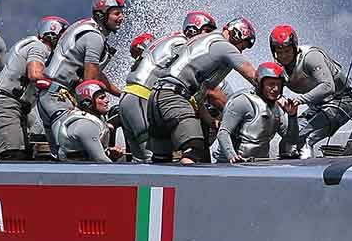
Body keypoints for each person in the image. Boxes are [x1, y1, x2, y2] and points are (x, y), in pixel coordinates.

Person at [149, 17, 259, 164]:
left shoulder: (202, 41)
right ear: (237, 35)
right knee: (194, 150)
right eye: (242, 46)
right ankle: (188, 187)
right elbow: (251, 74)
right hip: (174, 97)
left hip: (157, 96)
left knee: (161, 160)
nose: (240, 51)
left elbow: (198, 95)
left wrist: (210, 120)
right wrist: (276, 93)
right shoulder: (223, 45)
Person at [119, 12, 220, 162]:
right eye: (207, 31)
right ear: (194, 29)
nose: (209, 38)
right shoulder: (184, 45)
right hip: (143, 97)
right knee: (152, 160)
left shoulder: (171, 39)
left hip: (130, 97)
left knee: (140, 161)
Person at [37, 0, 126, 152]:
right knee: (76, 153)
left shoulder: (83, 26)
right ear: (101, 15)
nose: (121, 18)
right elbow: (90, 83)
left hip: (49, 96)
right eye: (116, 13)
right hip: (59, 99)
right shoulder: (95, 37)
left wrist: (120, 93)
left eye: (122, 12)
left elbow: (96, 72)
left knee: (59, 154)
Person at [0, 16, 68, 160]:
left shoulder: (33, 46)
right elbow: (35, 75)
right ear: (54, 33)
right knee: (14, 156)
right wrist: (58, 89)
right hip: (6, 104)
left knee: (25, 156)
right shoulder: (38, 47)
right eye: (63, 36)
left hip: (14, 105)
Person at [269, 24, 352, 158]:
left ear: (294, 48)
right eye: (279, 52)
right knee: (288, 142)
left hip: (340, 102)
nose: (283, 56)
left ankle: (306, 175)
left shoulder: (311, 57)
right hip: (317, 106)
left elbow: (328, 86)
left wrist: (300, 100)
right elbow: (266, 89)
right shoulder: (278, 68)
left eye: (287, 51)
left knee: (302, 138)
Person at [212, 61, 298, 163]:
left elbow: (291, 140)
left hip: (259, 165)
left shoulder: (277, 109)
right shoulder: (243, 101)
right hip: (231, 165)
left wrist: (292, 116)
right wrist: (232, 156)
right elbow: (223, 132)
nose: (275, 89)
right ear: (260, 84)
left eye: (279, 85)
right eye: (271, 84)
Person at [53, 80, 124, 162]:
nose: (107, 100)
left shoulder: (91, 119)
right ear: (88, 103)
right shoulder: (85, 124)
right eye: (101, 98)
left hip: (84, 169)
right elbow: (100, 160)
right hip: (77, 171)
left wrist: (109, 153)